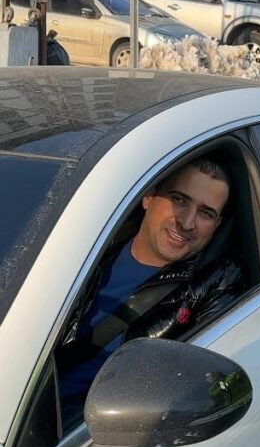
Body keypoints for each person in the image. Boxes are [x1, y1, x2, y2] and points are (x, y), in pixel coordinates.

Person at [57, 155, 244, 422]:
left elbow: (203, 386)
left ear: (216, 226)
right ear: (148, 197)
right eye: (179, 199)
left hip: (88, 433)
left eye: (206, 213)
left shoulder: (216, 284)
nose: (188, 222)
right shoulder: (87, 246)